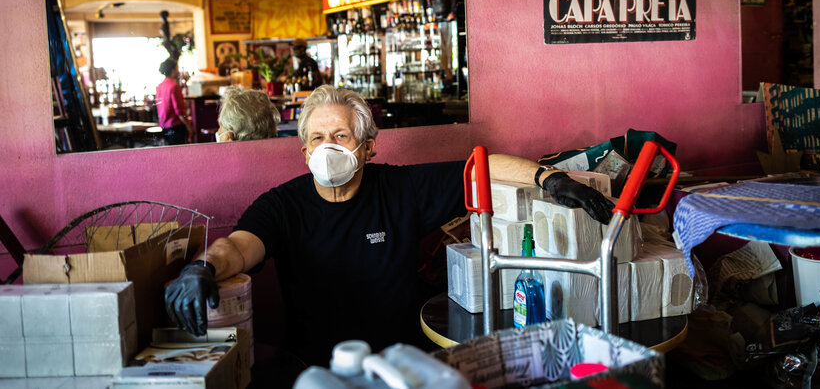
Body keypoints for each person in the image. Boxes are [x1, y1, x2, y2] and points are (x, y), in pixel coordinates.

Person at [165, 85, 614, 371]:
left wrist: (550, 179)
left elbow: (481, 166)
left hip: (405, 363)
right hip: (318, 368)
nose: (327, 148)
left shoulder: (400, 188)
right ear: (304, 152)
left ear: (368, 147)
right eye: (317, 139)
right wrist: (202, 267)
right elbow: (239, 246)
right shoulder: (284, 205)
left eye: (340, 136)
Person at [156, 59, 193, 145]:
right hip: (175, 127)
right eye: (177, 68)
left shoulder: (159, 86)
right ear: (173, 70)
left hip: (164, 126)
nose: (178, 70)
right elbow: (179, 111)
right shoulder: (174, 86)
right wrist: (189, 126)